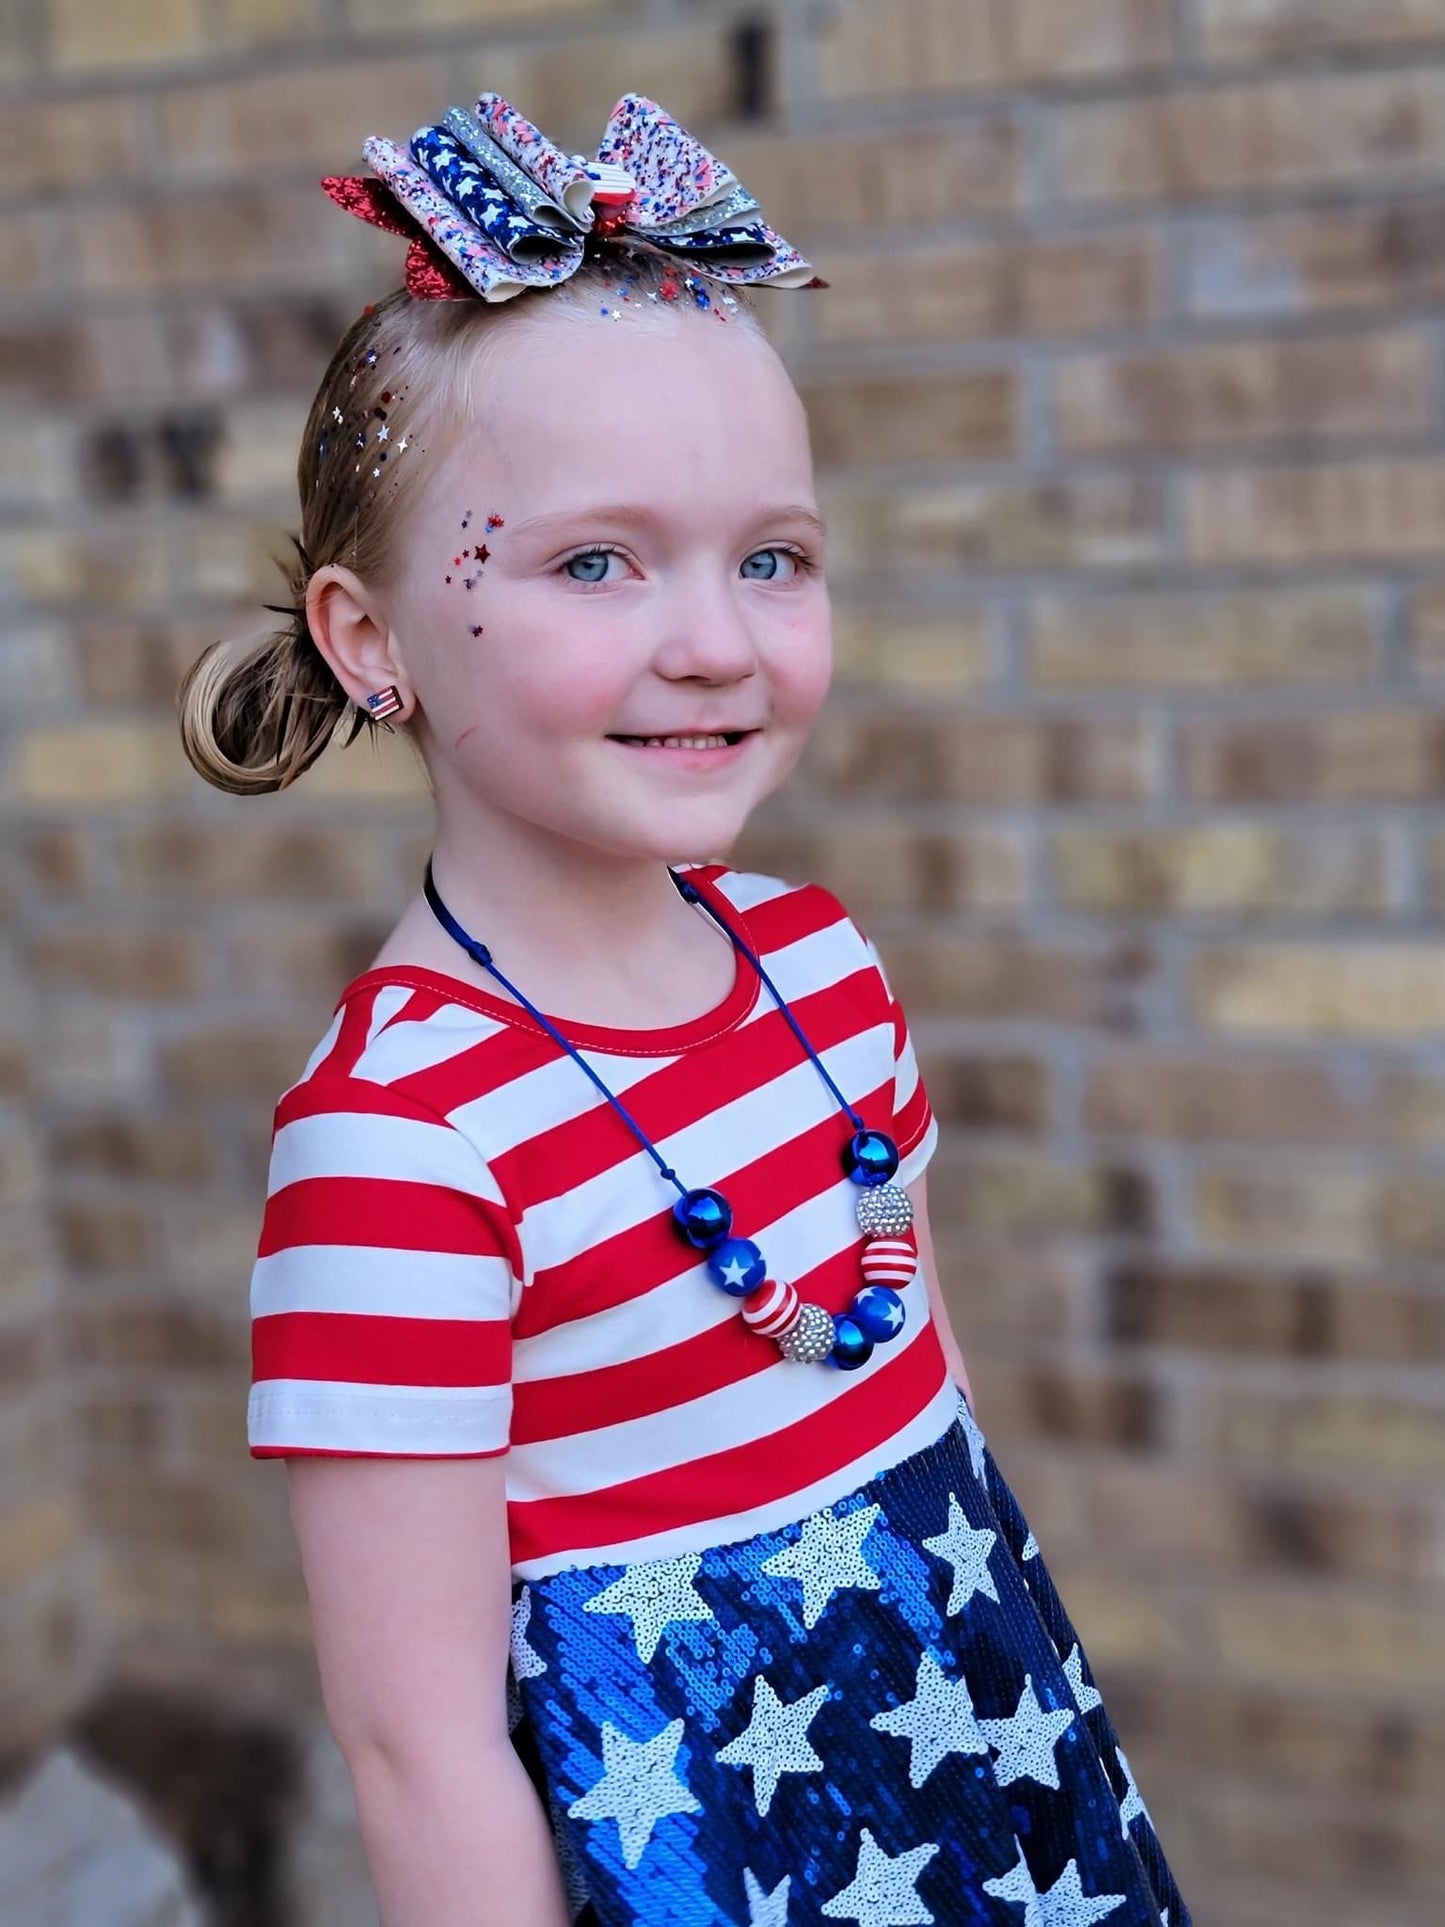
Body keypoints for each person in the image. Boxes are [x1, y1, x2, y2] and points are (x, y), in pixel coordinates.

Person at [178, 90, 1190, 1927]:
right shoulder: (400, 1144)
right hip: (715, 1855)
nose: (716, 638)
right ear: (368, 638)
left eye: (772, 557)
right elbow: (418, 1747)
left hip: (997, 1770)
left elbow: (921, 1411)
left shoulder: (822, 967)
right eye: (594, 561)